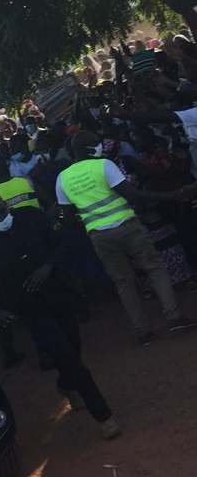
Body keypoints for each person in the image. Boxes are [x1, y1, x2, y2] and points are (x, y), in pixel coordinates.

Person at [0, 192, 119, 439]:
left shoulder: (32, 217)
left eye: (1, 211)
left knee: (73, 344)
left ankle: (66, 384)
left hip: (59, 294)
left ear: (6, 205)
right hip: (30, 309)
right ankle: (104, 416)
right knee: (67, 355)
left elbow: (65, 243)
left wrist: (48, 267)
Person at [56, 131, 196, 345]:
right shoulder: (104, 165)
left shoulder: (62, 178)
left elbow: (68, 220)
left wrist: (90, 221)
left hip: (99, 235)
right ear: (86, 148)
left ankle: (142, 332)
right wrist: (174, 195)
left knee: (123, 282)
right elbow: (133, 195)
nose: (101, 145)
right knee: (155, 268)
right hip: (127, 225)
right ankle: (174, 317)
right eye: (96, 143)